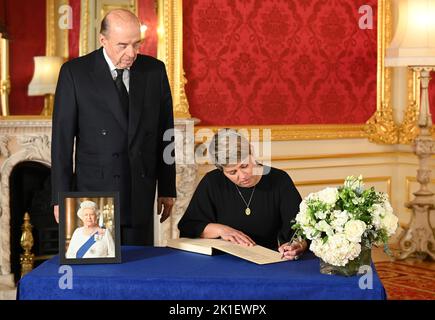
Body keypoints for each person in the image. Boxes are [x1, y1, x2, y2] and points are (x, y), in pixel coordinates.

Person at [51, 9, 176, 245]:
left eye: (137, 44)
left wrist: (167, 188)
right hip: (95, 193)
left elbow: (165, 134)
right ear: (103, 40)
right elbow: (62, 141)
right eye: (123, 46)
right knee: (99, 272)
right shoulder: (75, 73)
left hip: (140, 188)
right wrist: (60, 197)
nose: (132, 53)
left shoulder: (154, 70)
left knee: (138, 268)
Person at [178, 129, 307, 260]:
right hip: (222, 261)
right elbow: (189, 226)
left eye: (244, 166)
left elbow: (300, 229)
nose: (242, 176)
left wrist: (297, 245)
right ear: (221, 170)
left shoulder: (279, 180)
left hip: (268, 261)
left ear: (251, 152)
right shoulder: (212, 182)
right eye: (232, 172)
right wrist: (221, 230)